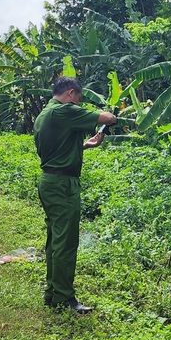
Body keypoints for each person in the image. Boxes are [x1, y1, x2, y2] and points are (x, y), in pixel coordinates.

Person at [33, 76, 116, 314]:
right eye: (78, 99)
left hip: (50, 180)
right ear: (71, 93)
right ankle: (63, 297)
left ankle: (53, 292)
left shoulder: (45, 114)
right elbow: (108, 118)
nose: (78, 104)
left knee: (55, 240)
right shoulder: (64, 111)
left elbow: (56, 147)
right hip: (62, 184)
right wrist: (111, 116)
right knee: (66, 241)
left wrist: (86, 145)